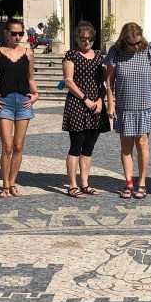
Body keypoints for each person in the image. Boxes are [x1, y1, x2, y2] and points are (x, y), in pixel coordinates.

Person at [105, 22, 151, 199]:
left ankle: (142, 183)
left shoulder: (150, 50)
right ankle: (129, 183)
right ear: (124, 40)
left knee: (142, 144)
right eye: (132, 43)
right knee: (126, 147)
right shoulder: (115, 52)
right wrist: (110, 103)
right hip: (124, 107)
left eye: (138, 42)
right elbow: (109, 81)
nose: (136, 46)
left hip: (145, 106)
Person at [0, 18, 39, 198]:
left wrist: (36, 94)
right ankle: (5, 185)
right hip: (4, 102)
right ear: (6, 33)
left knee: (18, 145)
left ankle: (12, 183)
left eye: (20, 34)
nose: (17, 37)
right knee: (7, 146)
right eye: (14, 33)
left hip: (23, 101)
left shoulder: (28, 53)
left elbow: (30, 78)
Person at [61, 21, 109, 198]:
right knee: (76, 146)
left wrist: (100, 100)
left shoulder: (99, 57)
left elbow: (105, 82)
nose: (87, 42)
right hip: (77, 105)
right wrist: (85, 99)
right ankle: (72, 185)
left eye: (90, 39)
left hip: (96, 106)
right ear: (77, 39)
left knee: (88, 148)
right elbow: (68, 81)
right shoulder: (71, 55)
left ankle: (85, 183)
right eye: (83, 39)